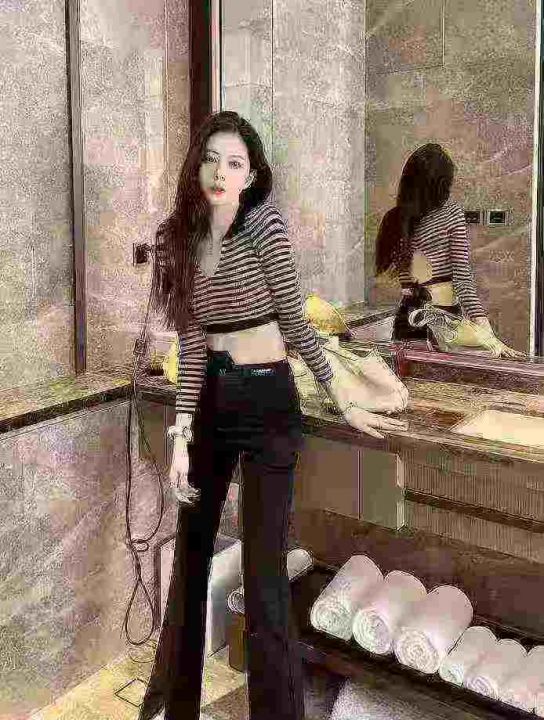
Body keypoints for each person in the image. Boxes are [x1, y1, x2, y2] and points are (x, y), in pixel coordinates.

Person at [139, 111, 407, 720]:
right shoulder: (179, 239)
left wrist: (341, 396)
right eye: (211, 158)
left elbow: (296, 322)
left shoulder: (264, 225)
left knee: (264, 581)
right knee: (189, 562)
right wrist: (180, 436)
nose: (220, 172)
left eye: (234, 163)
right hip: (209, 406)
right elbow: (192, 345)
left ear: (251, 174)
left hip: (267, 404)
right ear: (196, 166)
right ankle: (175, 709)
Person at [375, 143, 521, 357]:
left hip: (407, 321)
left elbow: (399, 278)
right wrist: (488, 336)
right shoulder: (451, 213)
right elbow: (462, 279)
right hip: (444, 321)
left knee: (412, 376)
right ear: (441, 184)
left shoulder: (393, 219)